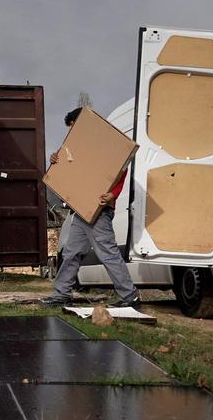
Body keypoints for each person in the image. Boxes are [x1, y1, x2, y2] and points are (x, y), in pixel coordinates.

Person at [41, 107, 141, 308]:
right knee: (71, 253)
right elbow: (72, 173)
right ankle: (62, 293)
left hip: (99, 211)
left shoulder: (107, 148)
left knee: (107, 252)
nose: (71, 133)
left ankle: (129, 296)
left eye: (73, 128)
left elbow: (119, 172)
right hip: (80, 210)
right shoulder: (79, 150)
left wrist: (112, 194)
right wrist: (56, 161)